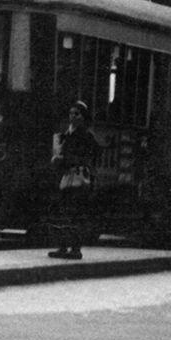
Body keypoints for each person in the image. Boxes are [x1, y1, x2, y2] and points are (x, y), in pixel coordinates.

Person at [47, 101, 100, 260]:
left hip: (78, 177)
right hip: (68, 176)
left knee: (75, 213)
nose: (72, 116)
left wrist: (63, 159)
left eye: (76, 114)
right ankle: (63, 247)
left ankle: (75, 248)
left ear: (83, 117)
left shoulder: (86, 135)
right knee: (64, 212)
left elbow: (90, 155)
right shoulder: (67, 134)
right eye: (71, 113)